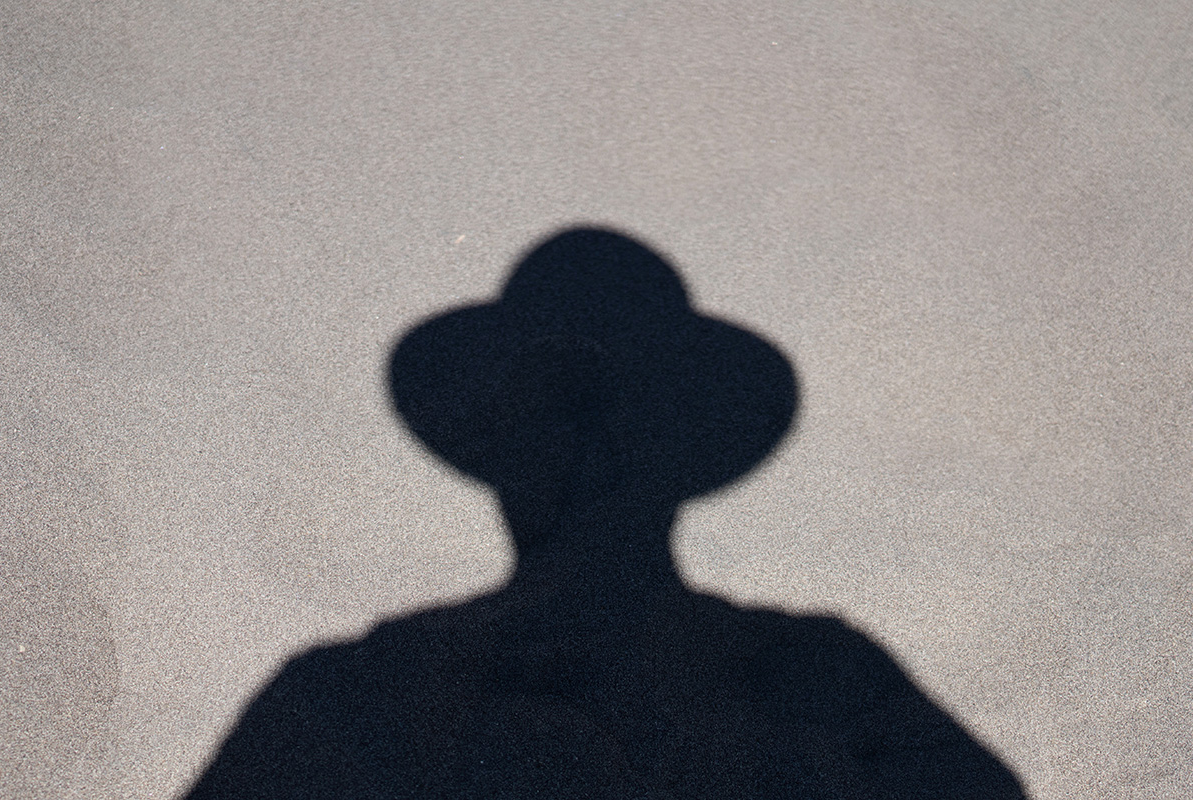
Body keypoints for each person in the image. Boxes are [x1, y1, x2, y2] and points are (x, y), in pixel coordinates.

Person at [184, 228, 1026, 798]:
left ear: (669, 448)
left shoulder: (816, 677)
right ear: (503, 452)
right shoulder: (366, 690)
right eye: (552, 418)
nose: (582, 453)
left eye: (607, 417)